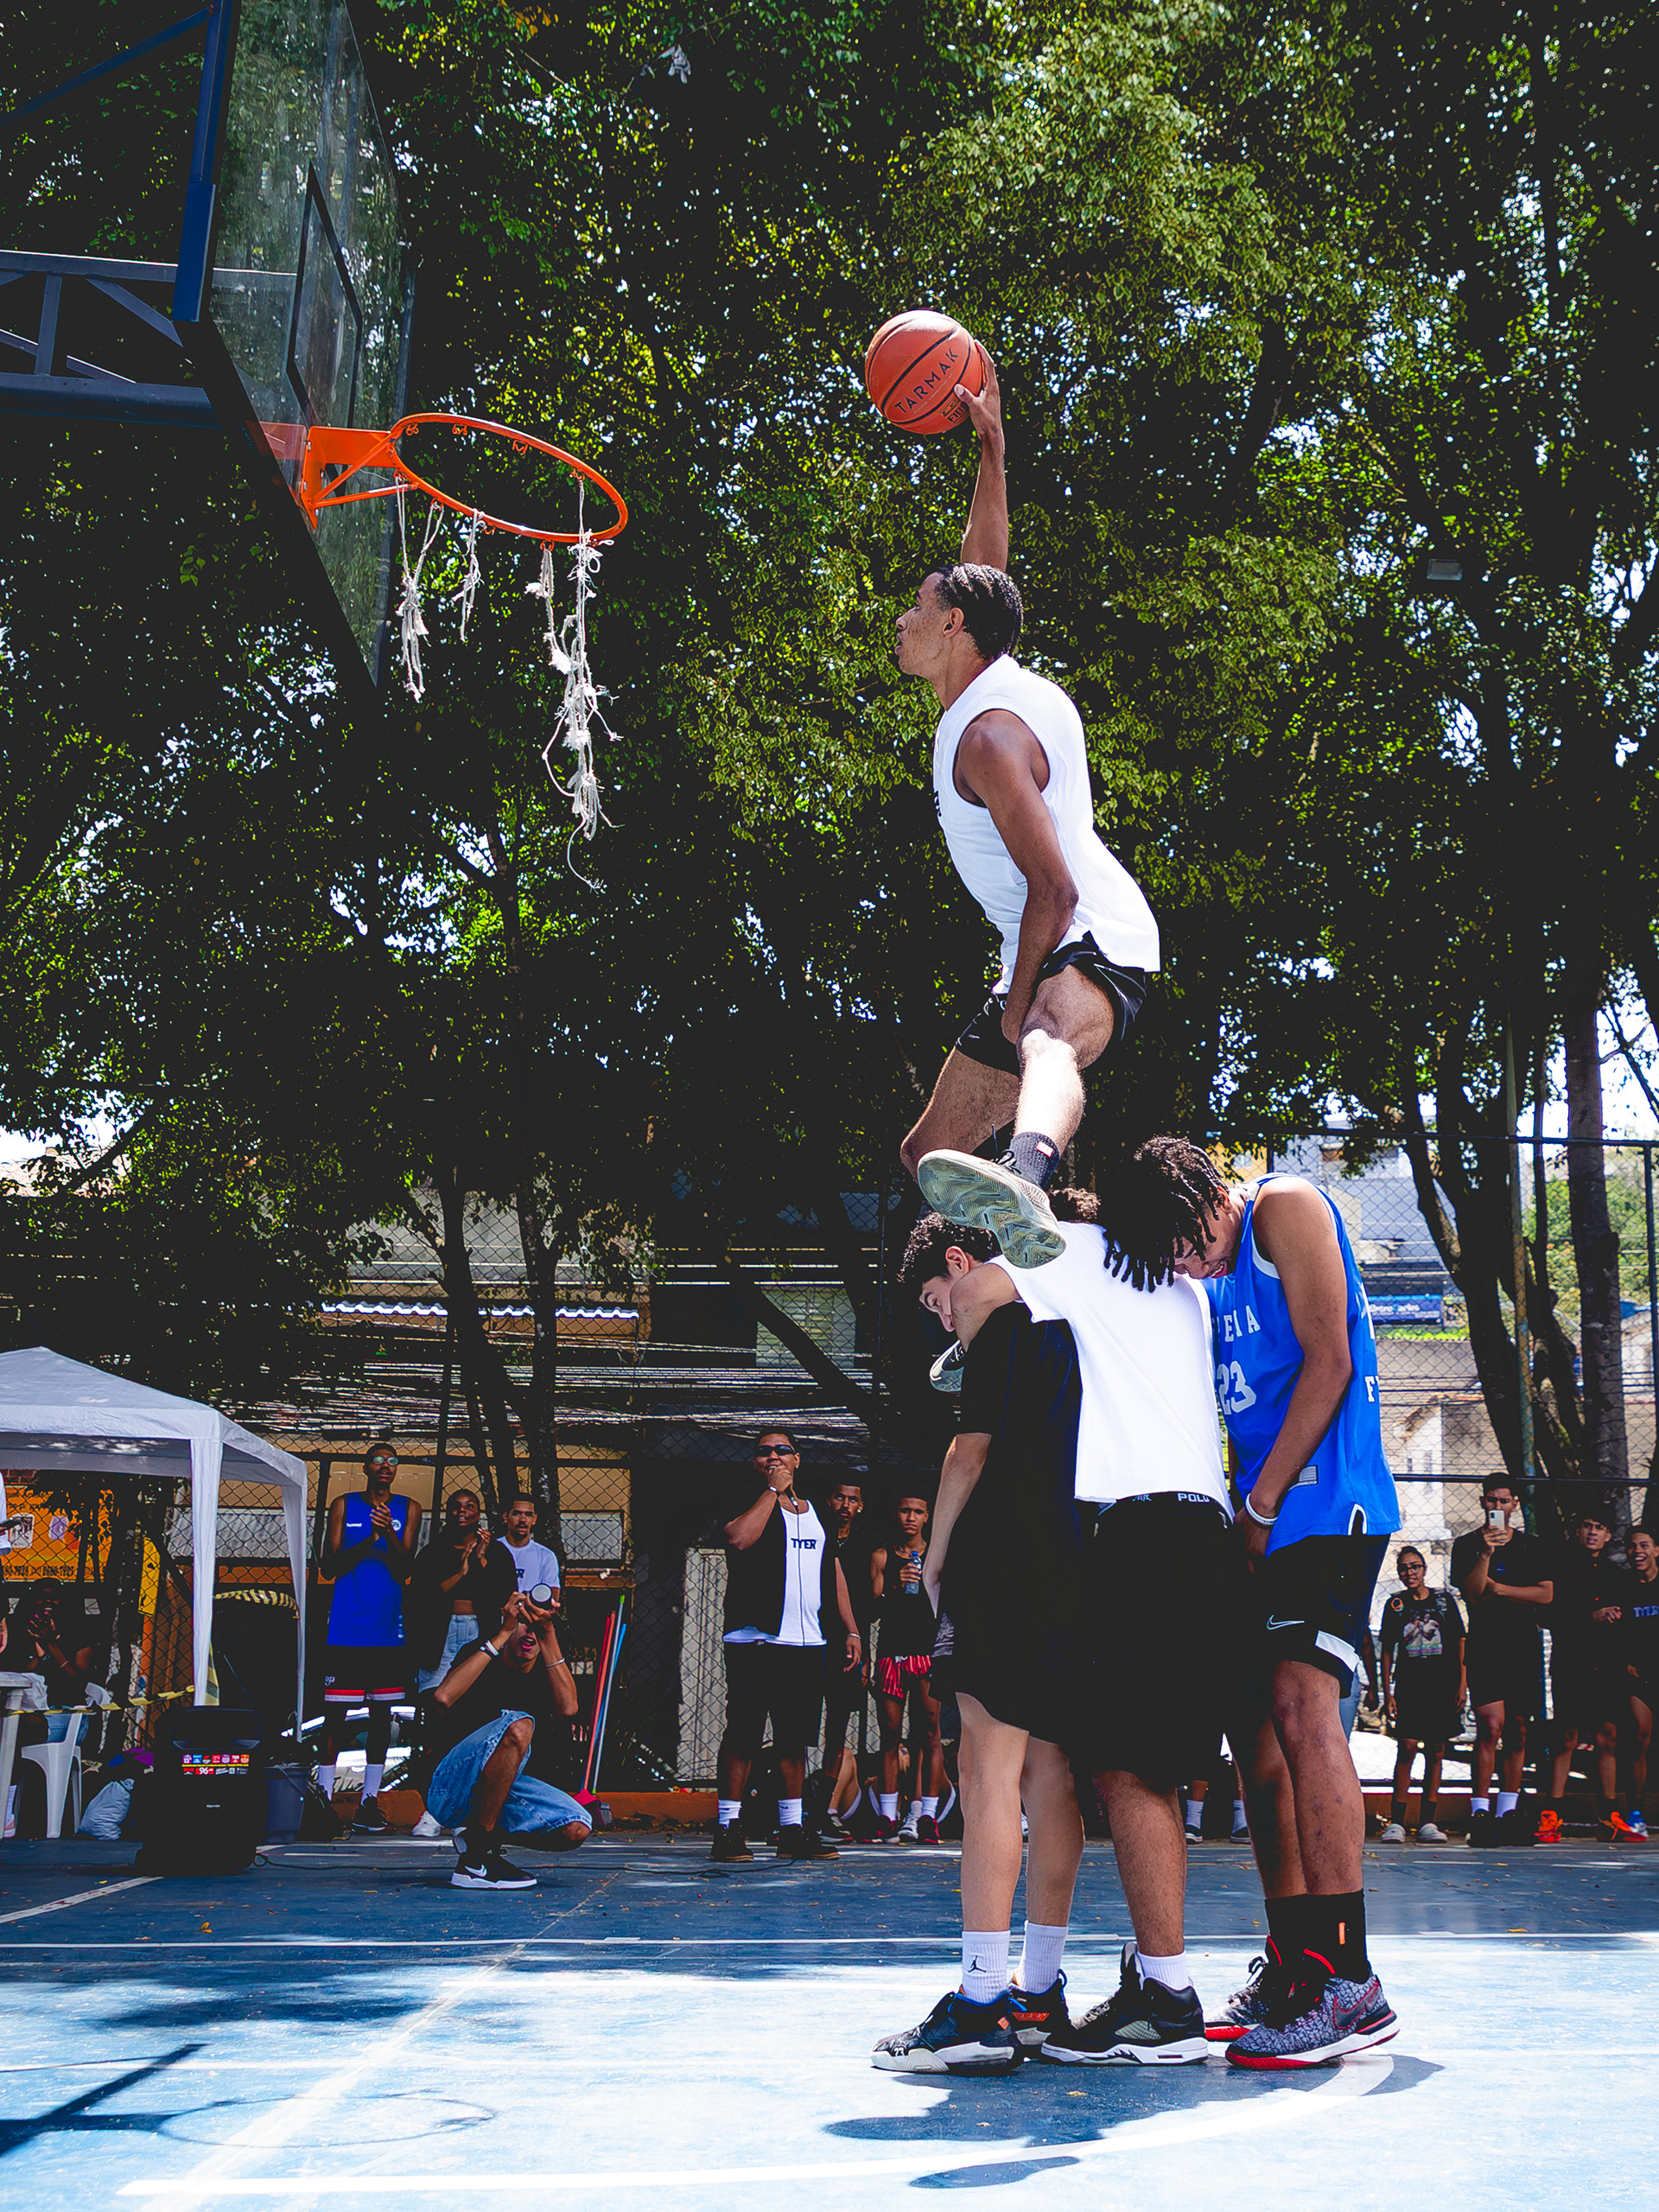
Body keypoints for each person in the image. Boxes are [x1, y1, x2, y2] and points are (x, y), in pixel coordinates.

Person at [1033, 1135, 1402, 2067]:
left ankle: (1349, 1979)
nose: (1184, 1265)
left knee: (1303, 1707)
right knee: (1258, 1742)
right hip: (1263, 1522)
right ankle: (1296, 1965)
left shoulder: (1285, 1208)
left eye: (1185, 1244)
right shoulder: (1210, 1280)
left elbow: (1330, 1363)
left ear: (1206, 1194)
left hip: (1325, 1505)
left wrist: (1261, 1502)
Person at [888, 1198, 1241, 2069]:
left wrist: (934, 1555)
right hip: (1078, 1556)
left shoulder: (1000, 1317)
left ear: (965, 1262)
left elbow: (970, 1450)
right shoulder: (1086, 1326)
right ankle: (1038, 1989)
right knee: (1051, 1776)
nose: (945, 1317)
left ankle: (981, 2002)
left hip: (1001, 1556)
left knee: (986, 1770)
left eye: (938, 1299)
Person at [890, 356, 1159, 1274]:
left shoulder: (989, 739)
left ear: (953, 628)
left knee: (1044, 1034)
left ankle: (1030, 1174)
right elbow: (985, 562)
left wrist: (1013, 1003)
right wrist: (991, 449)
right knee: (927, 1156)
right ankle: (1000, 1294)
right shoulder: (988, 672)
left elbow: (1056, 888)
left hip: (1095, 934)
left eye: (917, 606)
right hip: (1045, 938)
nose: (903, 619)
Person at [709, 1430, 861, 1864]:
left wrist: (850, 1630)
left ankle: (792, 1830)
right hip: (756, 1639)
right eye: (764, 1451)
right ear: (755, 1462)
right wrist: (772, 1493)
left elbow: (833, 1570)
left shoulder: (817, 1512)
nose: (773, 1457)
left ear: (797, 1459)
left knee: (793, 1741)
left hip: (806, 1641)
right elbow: (739, 1538)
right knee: (743, 1735)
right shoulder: (746, 1498)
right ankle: (728, 1828)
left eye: (782, 1451)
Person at [427, 1590, 589, 1888]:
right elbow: (443, 1697)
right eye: (523, 1623)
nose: (530, 1632)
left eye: (536, 1626)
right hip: (452, 1786)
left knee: (576, 1829)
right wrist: (502, 1633)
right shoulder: (481, 1652)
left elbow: (569, 1708)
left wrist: (548, 1633)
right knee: (519, 1725)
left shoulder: (547, 1667)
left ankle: (478, 1840)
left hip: (499, 1793)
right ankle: (476, 1858)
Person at [317, 1446, 422, 1834]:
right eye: (379, 1460)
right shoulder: (344, 1505)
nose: (385, 1466)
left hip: (387, 1632)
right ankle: (323, 1803)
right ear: (366, 1467)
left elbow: (405, 1568)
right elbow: (330, 1567)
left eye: (393, 1461)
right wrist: (370, 1538)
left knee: (381, 1717)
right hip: (345, 1630)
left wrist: (388, 1533)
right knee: (335, 1717)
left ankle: (369, 1803)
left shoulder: (409, 1508)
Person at [406, 1488, 516, 1837]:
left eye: (470, 1507)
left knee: (473, 1720)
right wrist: (462, 1570)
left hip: (478, 1636)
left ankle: (466, 1809)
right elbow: (421, 1596)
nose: (462, 1512)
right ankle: (435, 1808)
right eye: (456, 1507)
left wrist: (481, 1562)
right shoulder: (433, 1551)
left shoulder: (497, 1552)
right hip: (438, 1637)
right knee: (436, 1718)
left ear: (479, 1513)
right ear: (447, 1512)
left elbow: (504, 1597)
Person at [1451, 1477, 1553, 1845]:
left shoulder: (1531, 1546)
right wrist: (1485, 1555)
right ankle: (1480, 1811)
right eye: (1492, 1500)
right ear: (1483, 1502)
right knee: (1490, 1727)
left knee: (1519, 1729)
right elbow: (1474, 1593)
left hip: (1522, 1646)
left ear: (1515, 1504)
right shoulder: (1467, 1544)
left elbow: (1545, 1595)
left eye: (1504, 1500)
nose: (1498, 1506)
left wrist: (1501, 1589)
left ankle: (1508, 1811)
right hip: (1486, 1646)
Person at [1541, 1508, 1630, 1836]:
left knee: (1608, 1737)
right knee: (1567, 1738)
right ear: (1578, 1531)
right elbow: (1547, 1616)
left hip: (1606, 1665)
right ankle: (1552, 1815)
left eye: (1600, 1527)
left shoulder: (1615, 1574)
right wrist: (1590, 1616)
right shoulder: (1560, 1568)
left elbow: (1626, 1619)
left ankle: (1609, 1816)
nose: (1593, 1532)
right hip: (1571, 1663)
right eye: (1587, 1526)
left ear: (1608, 1535)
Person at [871, 1491, 947, 1842]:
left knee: (930, 1734)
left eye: (917, 1511)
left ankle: (927, 1815)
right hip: (892, 1654)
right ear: (896, 1513)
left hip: (926, 1654)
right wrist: (896, 1585)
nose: (910, 1517)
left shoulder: (937, 1555)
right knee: (890, 1735)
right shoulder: (882, 1556)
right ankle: (888, 1815)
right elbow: (871, 1607)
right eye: (905, 1510)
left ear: (927, 1516)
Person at [1378, 1547, 1466, 1842]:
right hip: (1409, 1686)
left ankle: (1428, 1821)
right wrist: (1387, 1692)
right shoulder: (1396, 1604)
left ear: (1424, 1568)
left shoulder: (1443, 1601)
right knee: (1407, 1747)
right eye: (1404, 1568)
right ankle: (1397, 1822)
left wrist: (1462, 1684)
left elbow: (1460, 1641)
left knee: (1436, 1750)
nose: (1410, 1573)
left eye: (1415, 1566)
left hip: (1441, 1685)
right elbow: (1387, 1649)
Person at [812, 1478, 869, 1838]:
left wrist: (863, 1651)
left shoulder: (864, 1548)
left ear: (860, 1507)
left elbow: (865, 1605)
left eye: (852, 1500)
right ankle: (792, 1809)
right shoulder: (813, 1533)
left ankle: (822, 1810)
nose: (845, 1505)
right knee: (799, 1726)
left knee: (837, 1728)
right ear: (828, 1500)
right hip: (809, 1637)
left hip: (846, 1645)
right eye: (839, 1497)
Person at [1617, 1526, 1657, 1836]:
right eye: (1632, 1546)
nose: (1638, 1551)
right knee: (1638, 1740)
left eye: (1644, 1545)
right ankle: (1636, 1813)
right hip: (1638, 1676)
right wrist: (1624, 1662)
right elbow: (1612, 1632)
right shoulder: (1622, 1586)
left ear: (1656, 1550)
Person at [500, 1494, 563, 1607]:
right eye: (517, 1514)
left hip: (532, 1616)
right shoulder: (491, 1550)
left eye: (528, 1515)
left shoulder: (546, 1556)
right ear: (506, 1517)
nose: (523, 1520)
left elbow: (553, 1598)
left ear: (534, 1519)